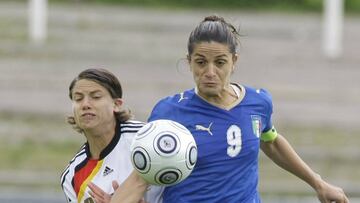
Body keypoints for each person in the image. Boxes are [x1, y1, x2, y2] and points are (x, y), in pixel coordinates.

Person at [145, 15, 349, 203]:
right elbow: (142, 172)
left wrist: (319, 184)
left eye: (220, 62)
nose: (210, 72)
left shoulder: (258, 103)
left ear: (234, 61)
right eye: (201, 62)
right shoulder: (169, 112)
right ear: (189, 62)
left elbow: (271, 141)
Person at [60, 68, 163, 203]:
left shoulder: (148, 138)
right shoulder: (72, 175)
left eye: (96, 97)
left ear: (116, 104)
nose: (85, 104)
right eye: (78, 99)